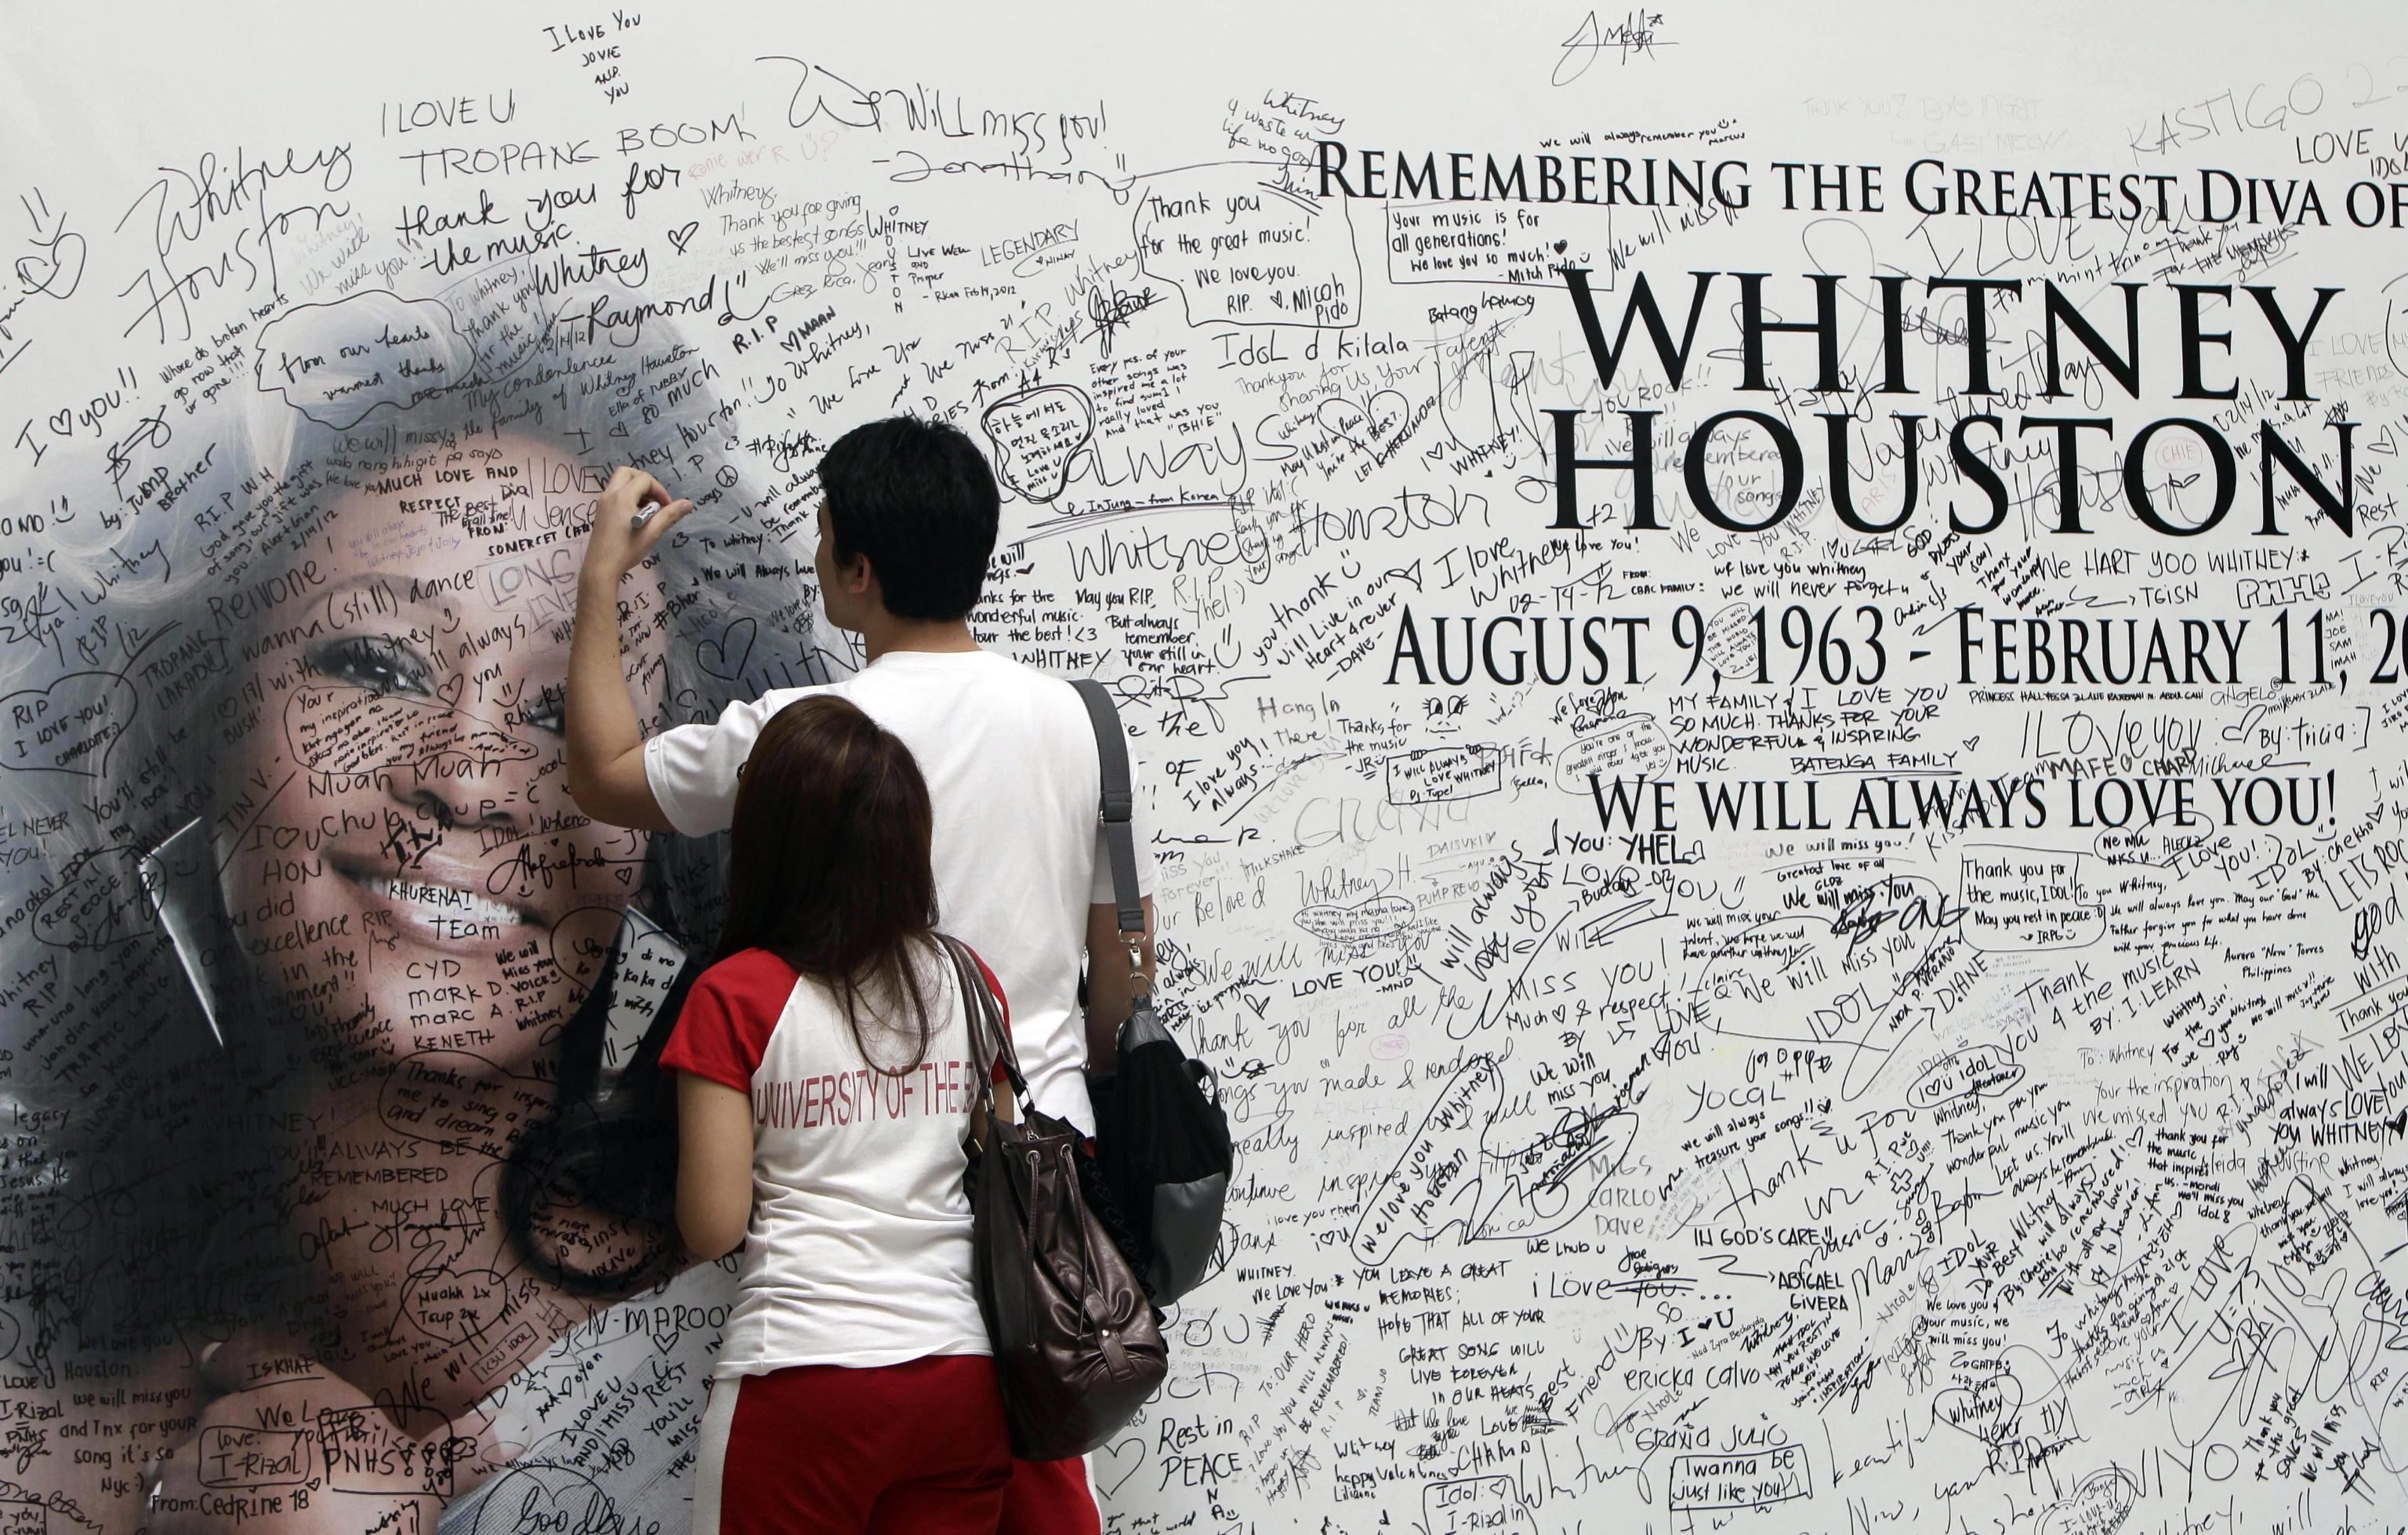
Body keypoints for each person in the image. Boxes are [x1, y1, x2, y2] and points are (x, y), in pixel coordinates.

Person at [24, 292, 822, 1532]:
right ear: (201, 724)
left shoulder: (791, 1322)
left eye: (567, 712)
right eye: (376, 665)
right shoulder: (38, 1393)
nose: (469, 777)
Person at [568, 415, 1157, 1533]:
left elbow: (603, 773)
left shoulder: (808, 734)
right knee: (1035, 1480)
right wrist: (1087, 1124)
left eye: (824, 532)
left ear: (858, 568)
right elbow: (1123, 960)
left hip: (849, 1170)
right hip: (1039, 1170)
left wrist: (600, 580)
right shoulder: (1078, 722)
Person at [662, 693, 1013, 1533]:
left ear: (770, 839)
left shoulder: (736, 997)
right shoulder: (971, 982)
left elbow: (712, 1225)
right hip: (961, 1381)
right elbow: (1000, 1169)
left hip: (800, 1379)